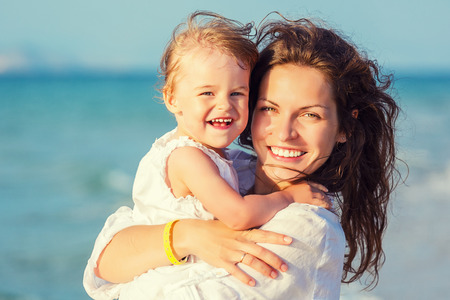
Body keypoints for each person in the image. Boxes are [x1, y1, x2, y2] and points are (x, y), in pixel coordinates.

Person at [84, 13, 401, 300]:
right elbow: (102, 265)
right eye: (269, 108)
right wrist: (188, 234)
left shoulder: (308, 227)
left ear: (344, 126)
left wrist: (162, 246)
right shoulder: (233, 168)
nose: (285, 132)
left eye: (310, 115)